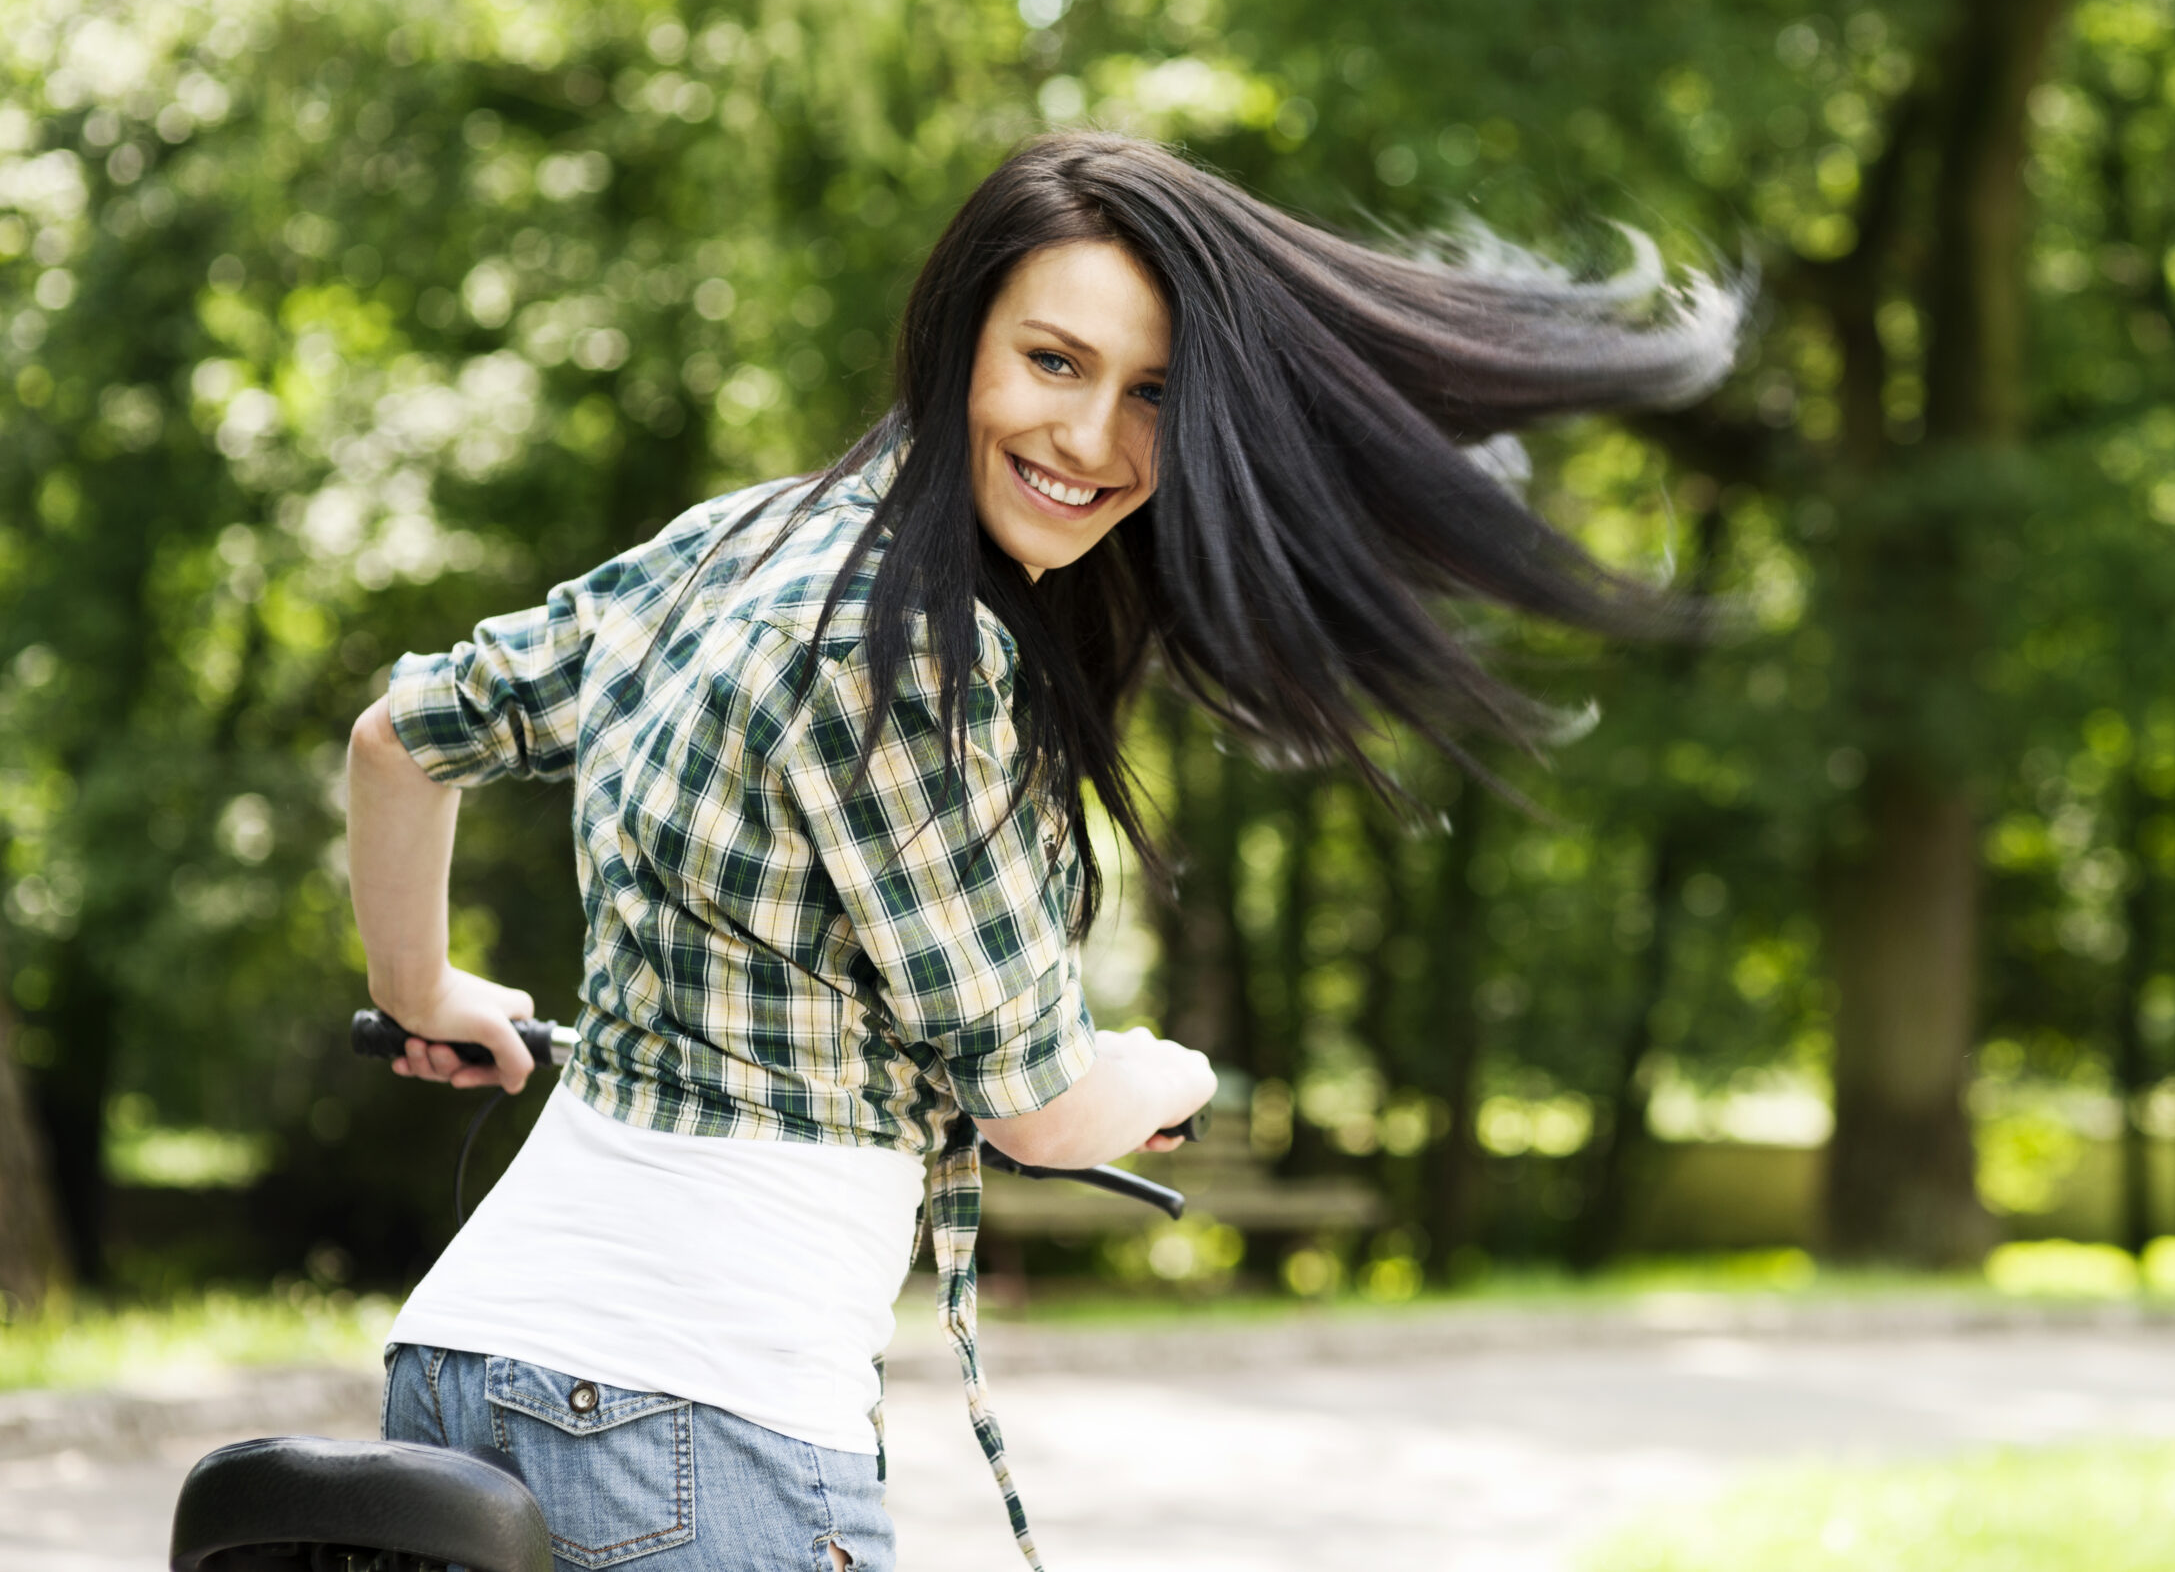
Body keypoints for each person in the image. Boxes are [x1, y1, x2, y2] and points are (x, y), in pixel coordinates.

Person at [347, 132, 1740, 1570]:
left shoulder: (737, 540)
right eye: (1054, 363)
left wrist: (423, 989)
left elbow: (400, 738)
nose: (1093, 440)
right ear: (957, 339)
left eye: (1154, 395)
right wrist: (1169, 1074)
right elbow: (1038, 1106)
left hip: (457, 1374)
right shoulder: (909, 656)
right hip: (689, 1425)